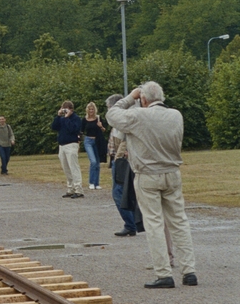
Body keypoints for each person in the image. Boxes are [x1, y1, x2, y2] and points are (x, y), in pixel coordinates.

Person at [106, 82, 197, 288]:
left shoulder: (138, 115)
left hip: (147, 174)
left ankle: (164, 273)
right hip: (172, 173)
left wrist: (130, 97)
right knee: (179, 222)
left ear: (144, 99)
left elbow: (112, 115)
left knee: (154, 223)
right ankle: (189, 270)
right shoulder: (176, 115)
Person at [106, 95, 140, 237]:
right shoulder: (118, 124)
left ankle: (131, 224)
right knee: (121, 192)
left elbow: (125, 142)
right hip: (117, 159)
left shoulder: (124, 122)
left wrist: (120, 157)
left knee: (119, 192)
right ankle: (131, 223)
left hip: (122, 161)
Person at [51, 101, 84, 198]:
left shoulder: (76, 119)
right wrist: (58, 116)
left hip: (71, 144)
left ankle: (78, 189)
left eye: (66, 109)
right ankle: (71, 188)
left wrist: (67, 118)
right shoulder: (61, 119)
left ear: (71, 109)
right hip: (62, 145)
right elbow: (54, 127)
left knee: (74, 167)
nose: (65, 111)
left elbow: (73, 129)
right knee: (66, 168)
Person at [81, 102, 107, 190]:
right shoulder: (84, 119)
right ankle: (91, 182)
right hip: (88, 141)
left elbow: (104, 130)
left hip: (97, 141)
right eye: (89, 109)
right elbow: (81, 130)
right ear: (87, 110)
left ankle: (96, 183)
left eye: (92, 109)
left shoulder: (98, 118)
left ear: (94, 110)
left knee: (98, 163)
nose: (91, 111)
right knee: (93, 161)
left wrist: (101, 126)